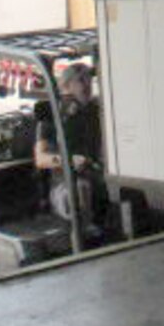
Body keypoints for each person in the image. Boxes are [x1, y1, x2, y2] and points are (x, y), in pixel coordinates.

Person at [33, 63, 108, 233]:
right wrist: (68, 160)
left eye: (89, 79)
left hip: (96, 173)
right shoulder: (50, 114)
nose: (87, 85)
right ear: (66, 86)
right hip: (64, 182)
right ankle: (88, 237)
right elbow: (41, 159)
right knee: (81, 188)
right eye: (81, 80)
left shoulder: (95, 110)